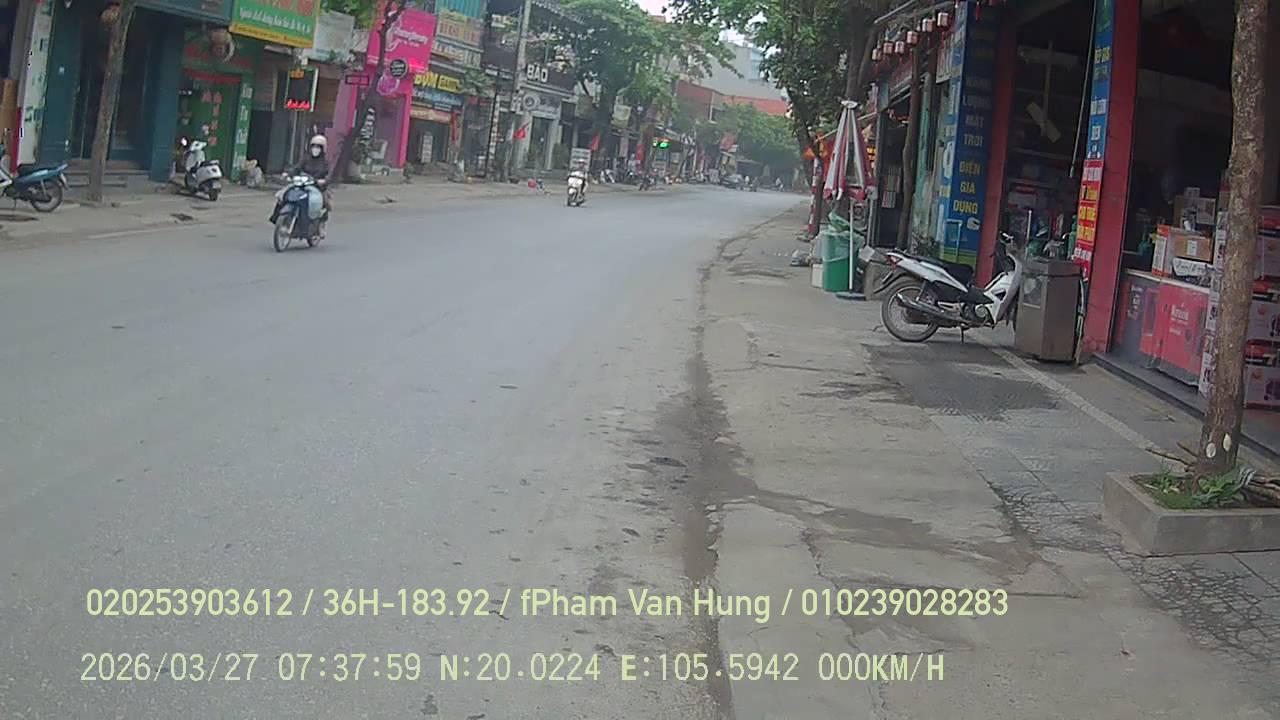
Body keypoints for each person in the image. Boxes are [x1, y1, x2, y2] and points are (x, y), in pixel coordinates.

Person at [272, 135, 332, 234]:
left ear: (323, 149)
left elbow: (329, 175)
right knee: (283, 195)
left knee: (324, 202)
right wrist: (288, 174)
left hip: (317, 187)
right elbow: (297, 168)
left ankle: (320, 226)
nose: (315, 149)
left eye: (318, 147)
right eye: (314, 146)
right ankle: (276, 218)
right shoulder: (306, 158)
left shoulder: (325, 162)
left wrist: (324, 181)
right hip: (302, 184)